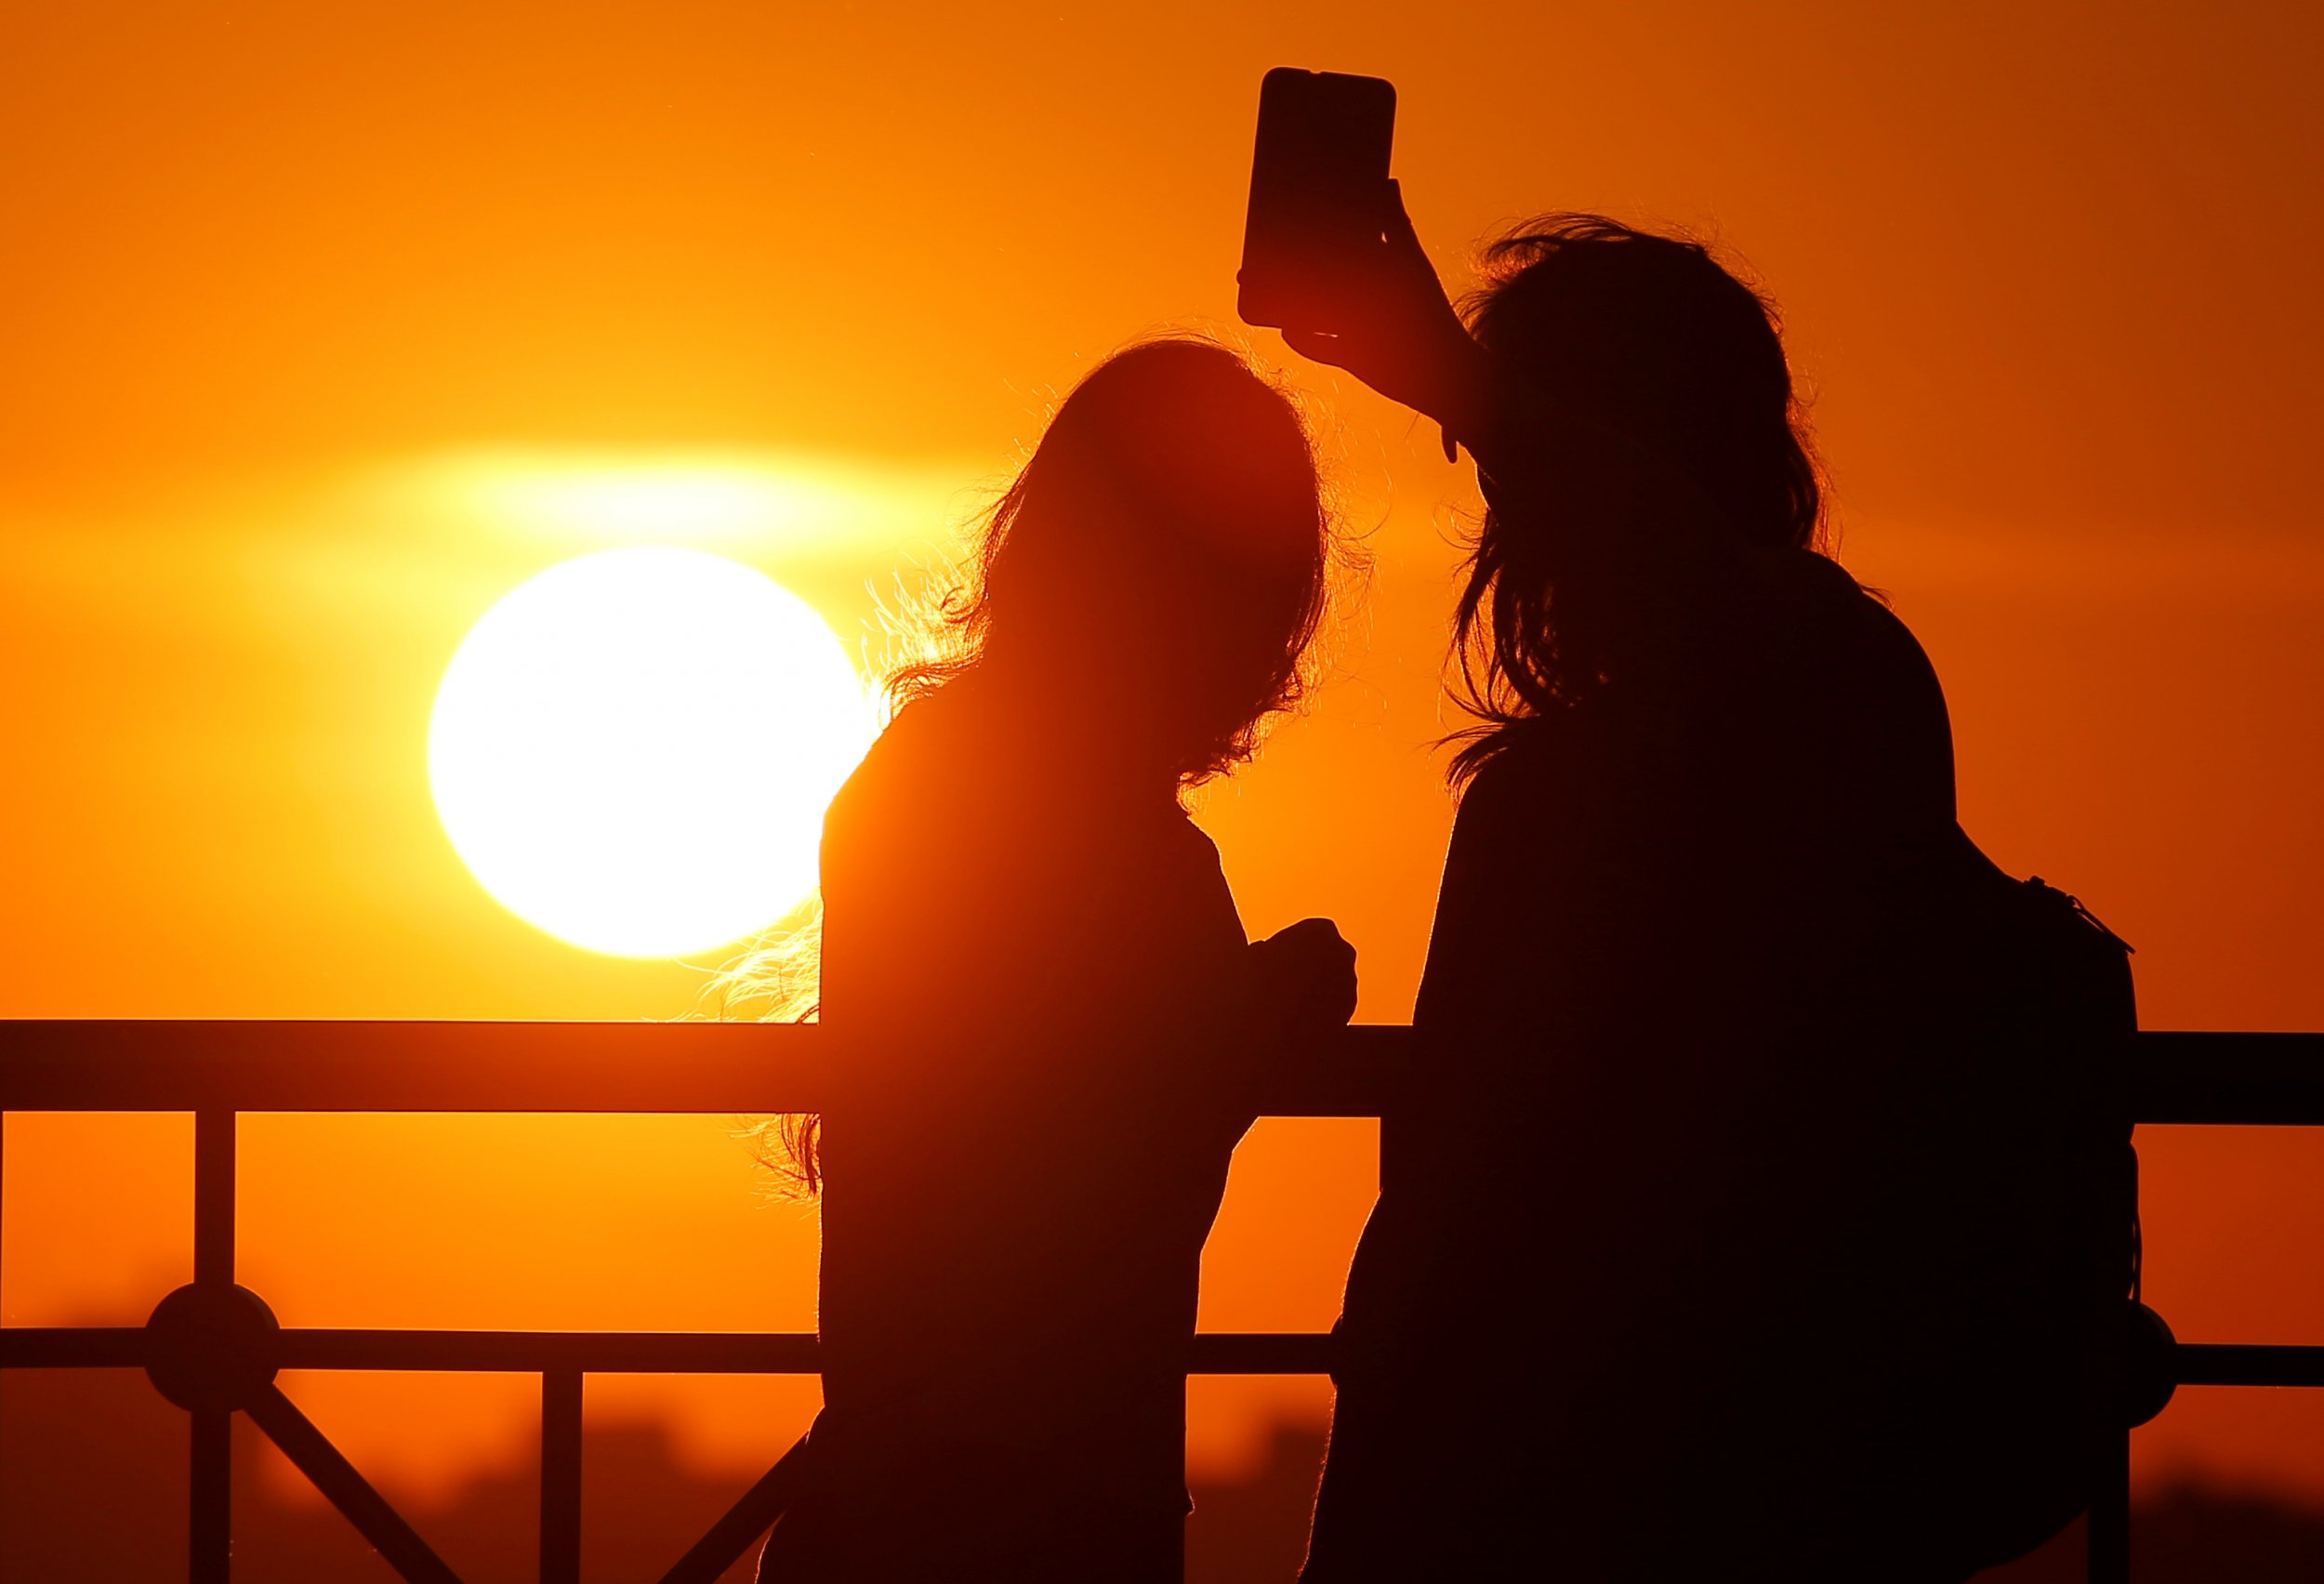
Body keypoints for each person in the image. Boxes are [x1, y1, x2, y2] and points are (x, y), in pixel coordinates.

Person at [1288, 197, 2093, 1579]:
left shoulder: (1825, 672)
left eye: (1524, 445)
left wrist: (1467, 387)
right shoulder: (1603, 769)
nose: (1497, 493)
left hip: (1682, 1486)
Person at [755, 337, 1361, 1584]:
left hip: (901, 1477)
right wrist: (1251, 1021)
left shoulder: (920, 780)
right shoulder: (1112, 843)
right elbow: (1082, 1142)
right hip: (1032, 1491)